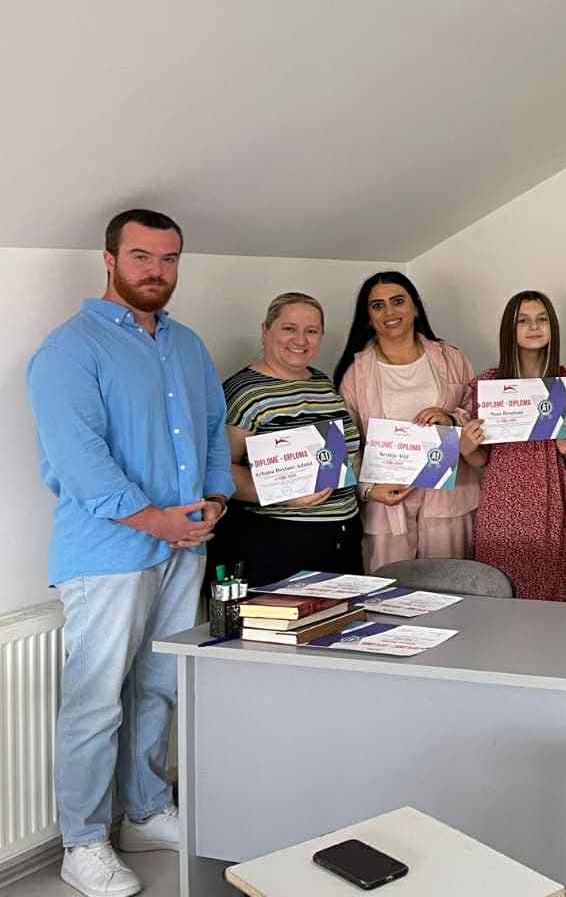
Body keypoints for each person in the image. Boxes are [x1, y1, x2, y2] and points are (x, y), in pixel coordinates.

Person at [27, 209, 230, 897]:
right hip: (108, 552)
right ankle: (82, 844)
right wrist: (156, 521)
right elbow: (80, 461)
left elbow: (211, 430)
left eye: (169, 259)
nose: (156, 271)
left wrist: (214, 499)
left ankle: (143, 811)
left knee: (160, 684)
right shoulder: (70, 349)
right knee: (95, 702)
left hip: (184, 544)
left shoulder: (186, 344)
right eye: (142, 256)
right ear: (110, 260)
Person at [210, 292, 363, 587]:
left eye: (311, 331)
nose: (300, 340)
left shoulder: (322, 383)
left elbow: (343, 456)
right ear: (266, 330)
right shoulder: (244, 391)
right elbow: (220, 469)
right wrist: (285, 494)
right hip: (279, 539)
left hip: (342, 535)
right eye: (289, 328)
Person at [332, 272, 482, 571]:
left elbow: (477, 415)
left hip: (448, 498)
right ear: (367, 318)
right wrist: (368, 490)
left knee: (450, 586)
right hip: (387, 503)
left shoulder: (452, 358)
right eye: (377, 306)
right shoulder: (354, 374)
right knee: (389, 589)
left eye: (398, 301)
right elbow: (346, 446)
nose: (389, 312)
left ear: (415, 307)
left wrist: (451, 419)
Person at [458, 291, 566, 600]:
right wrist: (467, 447)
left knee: (550, 581)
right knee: (500, 584)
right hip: (502, 496)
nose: (534, 327)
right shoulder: (489, 385)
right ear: (509, 329)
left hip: (548, 491)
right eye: (523, 321)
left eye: (542, 319)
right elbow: (481, 459)